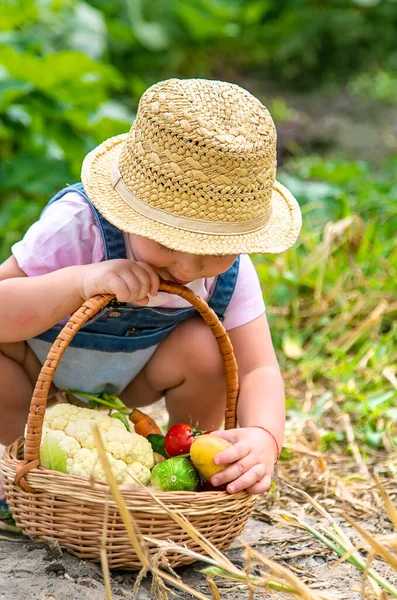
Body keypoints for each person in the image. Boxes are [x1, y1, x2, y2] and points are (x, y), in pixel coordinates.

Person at [0, 78, 301, 498]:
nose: (187, 266)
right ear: (128, 213)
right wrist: (81, 282)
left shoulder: (232, 274)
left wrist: (265, 437)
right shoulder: (78, 228)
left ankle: (193, 468)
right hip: (36, 370)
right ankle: (19, 473)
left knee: (208, 348)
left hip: (132, 378)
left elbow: (258, 369)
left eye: (214, 250)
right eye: (167, 242)